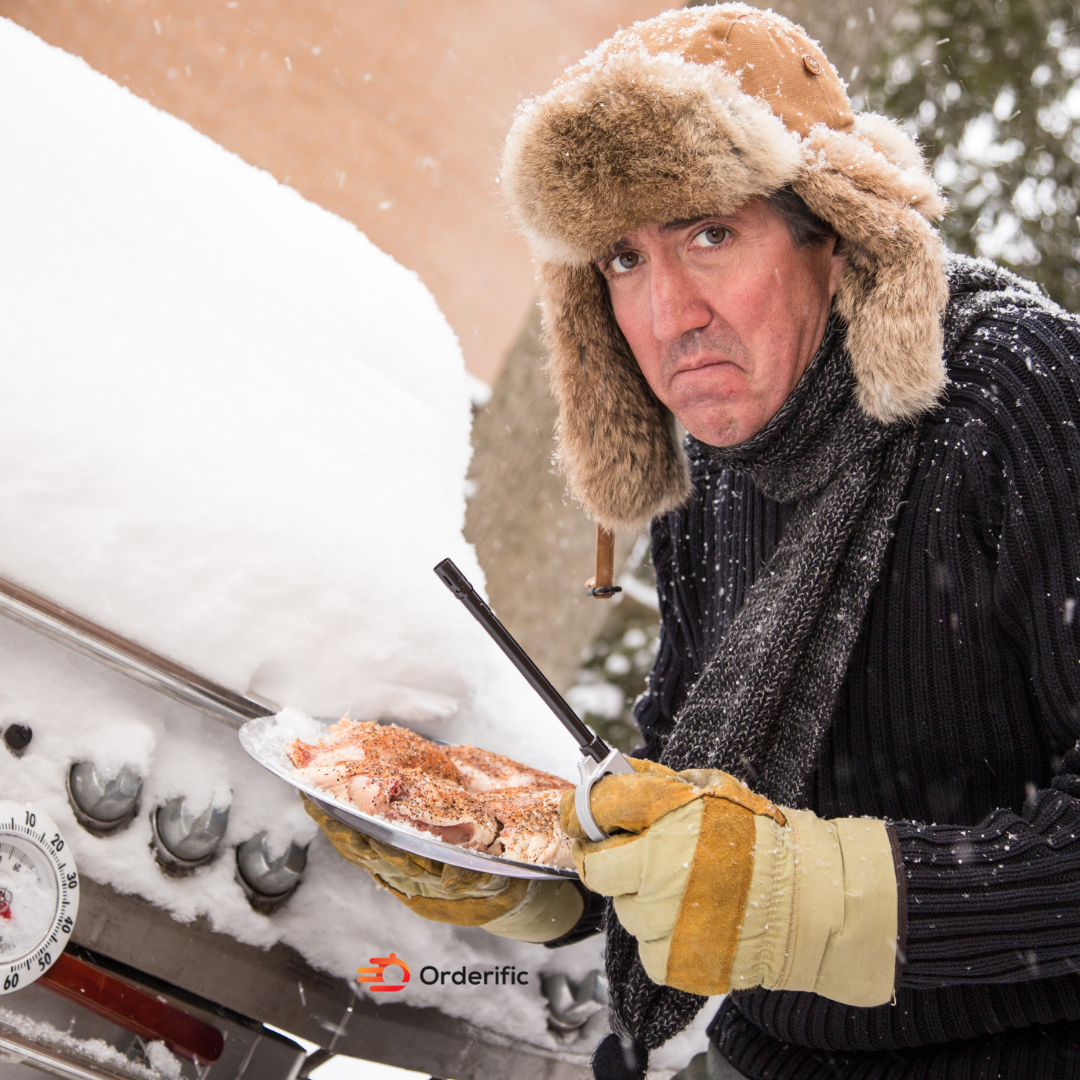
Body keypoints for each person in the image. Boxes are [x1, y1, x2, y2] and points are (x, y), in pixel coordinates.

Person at [307, 6, 1080, 1079]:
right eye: (623, 259)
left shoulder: (1021, 404)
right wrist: (542, 856)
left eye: (710, 233)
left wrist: (815, 895)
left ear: (836, 231)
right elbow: (692, 793)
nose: (670, 314)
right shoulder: (716, 464)